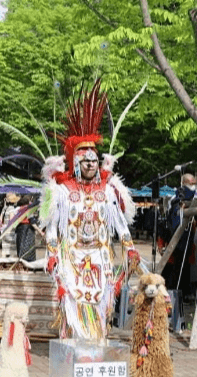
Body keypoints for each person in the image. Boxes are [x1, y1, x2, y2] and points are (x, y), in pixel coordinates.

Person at [40, 80, 140, 340]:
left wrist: (129, 248)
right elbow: (52, 227)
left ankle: (97, 346)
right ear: (75, 162)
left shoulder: (107, 190)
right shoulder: (62, 191)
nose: (91, 165)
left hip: (100, 258)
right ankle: (72, 346)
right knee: (72, 304)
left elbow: (120, 224)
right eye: (85, 161)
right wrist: (52, 253)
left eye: (94, 160)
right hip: (71, 257)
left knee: (100, 304)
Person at [161, 173, 197, 300]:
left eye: (194, 183)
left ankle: (182, 292)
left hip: (186, 237)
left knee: (184, 267)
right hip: (179, 237)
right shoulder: (179, 196)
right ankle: (177, 293)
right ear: (185, 183)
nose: (193, 185)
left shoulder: (183, 196)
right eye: (191, 183)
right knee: (177, 268)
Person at [14, 195, 42, 262]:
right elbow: (32, 222)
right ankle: (28, 260)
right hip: (27, 229)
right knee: (28, 245)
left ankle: (20, 259)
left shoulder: (17, 209)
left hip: (20, 228)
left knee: (20, 244)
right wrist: (40, 231)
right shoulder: (28, 210)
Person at [0, 192, 20, 257]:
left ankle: (3, 259)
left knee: (5, 248)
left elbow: (0, 220)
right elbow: (11, 220)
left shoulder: (4, 208)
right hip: (10, 231)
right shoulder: (11, 209)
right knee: (11, 249)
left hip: (3, 229)